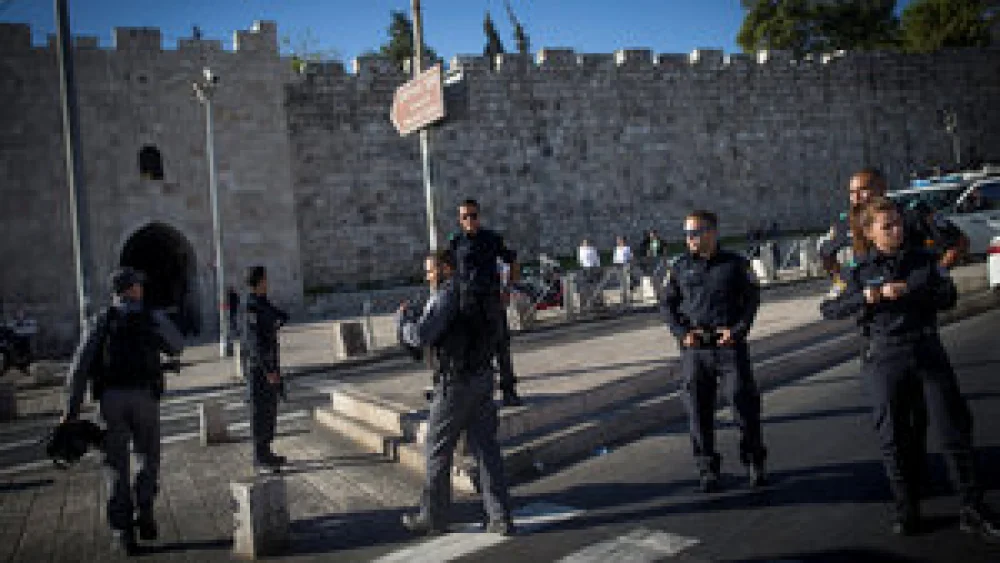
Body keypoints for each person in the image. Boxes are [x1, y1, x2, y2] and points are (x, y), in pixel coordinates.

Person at [820, 197, 999, 539]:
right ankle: (907, 508)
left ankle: (972, 507)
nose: (896, 230)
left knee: (953, 429)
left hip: (926, 348)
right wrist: (869, 298)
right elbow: (829, 308)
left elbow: (947, 296)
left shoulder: (924, 261)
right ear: (869, 232)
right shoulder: (857, 272)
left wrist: (912, 292)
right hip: (885, 357)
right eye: (887, 227)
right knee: (894, 438)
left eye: (898, 224)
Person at [61, 267, 184, 555]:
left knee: (115, 463)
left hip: (110, 400)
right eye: (138, 285)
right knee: (148, 455)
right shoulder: (151, 316)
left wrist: (71, 411)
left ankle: (123, 533)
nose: (142, 288)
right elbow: (177, 346)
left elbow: (78, 369)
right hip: (144, 397)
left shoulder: (100, 320)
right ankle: (145, 508)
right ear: (131, 289)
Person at [398, 250, 513, 536]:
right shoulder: (474, 292)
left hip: (455, 385)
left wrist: (404, 323)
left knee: (437, 450)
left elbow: (423, 336)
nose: (427, 277)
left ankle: (433, 518)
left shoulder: (447, 295)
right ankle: (500, 517)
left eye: (430, 271)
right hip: (483, 377)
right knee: (486, 450)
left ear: (446, 269)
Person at [662, 210, 767, 493]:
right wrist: (682, 335)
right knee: (698, 411)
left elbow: (752, 299)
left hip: (728, 346)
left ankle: (754, 460)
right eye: (687, 234)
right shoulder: (680, 267)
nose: (690, 239)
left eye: (695, 233)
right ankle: (707, 468)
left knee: (743, 404)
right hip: (696, 350)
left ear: (712, 232)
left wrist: (739, 330)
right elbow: (667, 305)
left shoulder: (735, 264)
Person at [448, 198, 522, 407]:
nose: (470, 220)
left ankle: (509, 390)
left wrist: (508, 289)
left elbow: (513, 260)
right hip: (468, 304)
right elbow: (450, 271)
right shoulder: (455, 242)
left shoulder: (492, 239)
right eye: (465, 216)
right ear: (460, 220)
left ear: (479, 216)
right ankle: (480, 395)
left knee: (501, 347)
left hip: (491, 301)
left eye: (474, 215)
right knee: (473, 351)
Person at [240, 265, 290, 472]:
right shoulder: (250, 307)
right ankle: (259, 456)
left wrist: (280, 321)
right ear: (259, 281)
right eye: (266, 279)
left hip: (270, 363)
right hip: (259, 369)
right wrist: (268, 370)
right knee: (260, 412)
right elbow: (254, 343)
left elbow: (277, 315)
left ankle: (267, 451)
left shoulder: (263, 302)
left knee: (270, 409)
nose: (268, 282)